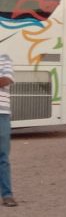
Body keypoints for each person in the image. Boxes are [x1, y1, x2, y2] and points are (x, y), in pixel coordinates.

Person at [0, 53, 16, 206]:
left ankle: (7, 194)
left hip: (2, 115)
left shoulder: (4, 58)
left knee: (3, 156)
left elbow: (7, 79)